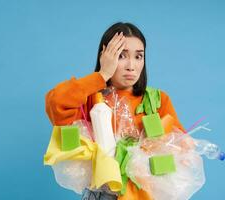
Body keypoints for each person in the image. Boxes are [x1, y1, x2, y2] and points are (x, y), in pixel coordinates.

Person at [45, 22, 185, 200]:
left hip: (146, 195)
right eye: (121, 55)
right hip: (103, 194)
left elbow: (179, 145)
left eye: (138, 56)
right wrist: (102, 75)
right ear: (106, 56)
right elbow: (56, 103)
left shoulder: (158, 100)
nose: (131, 66)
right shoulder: (89, 98)